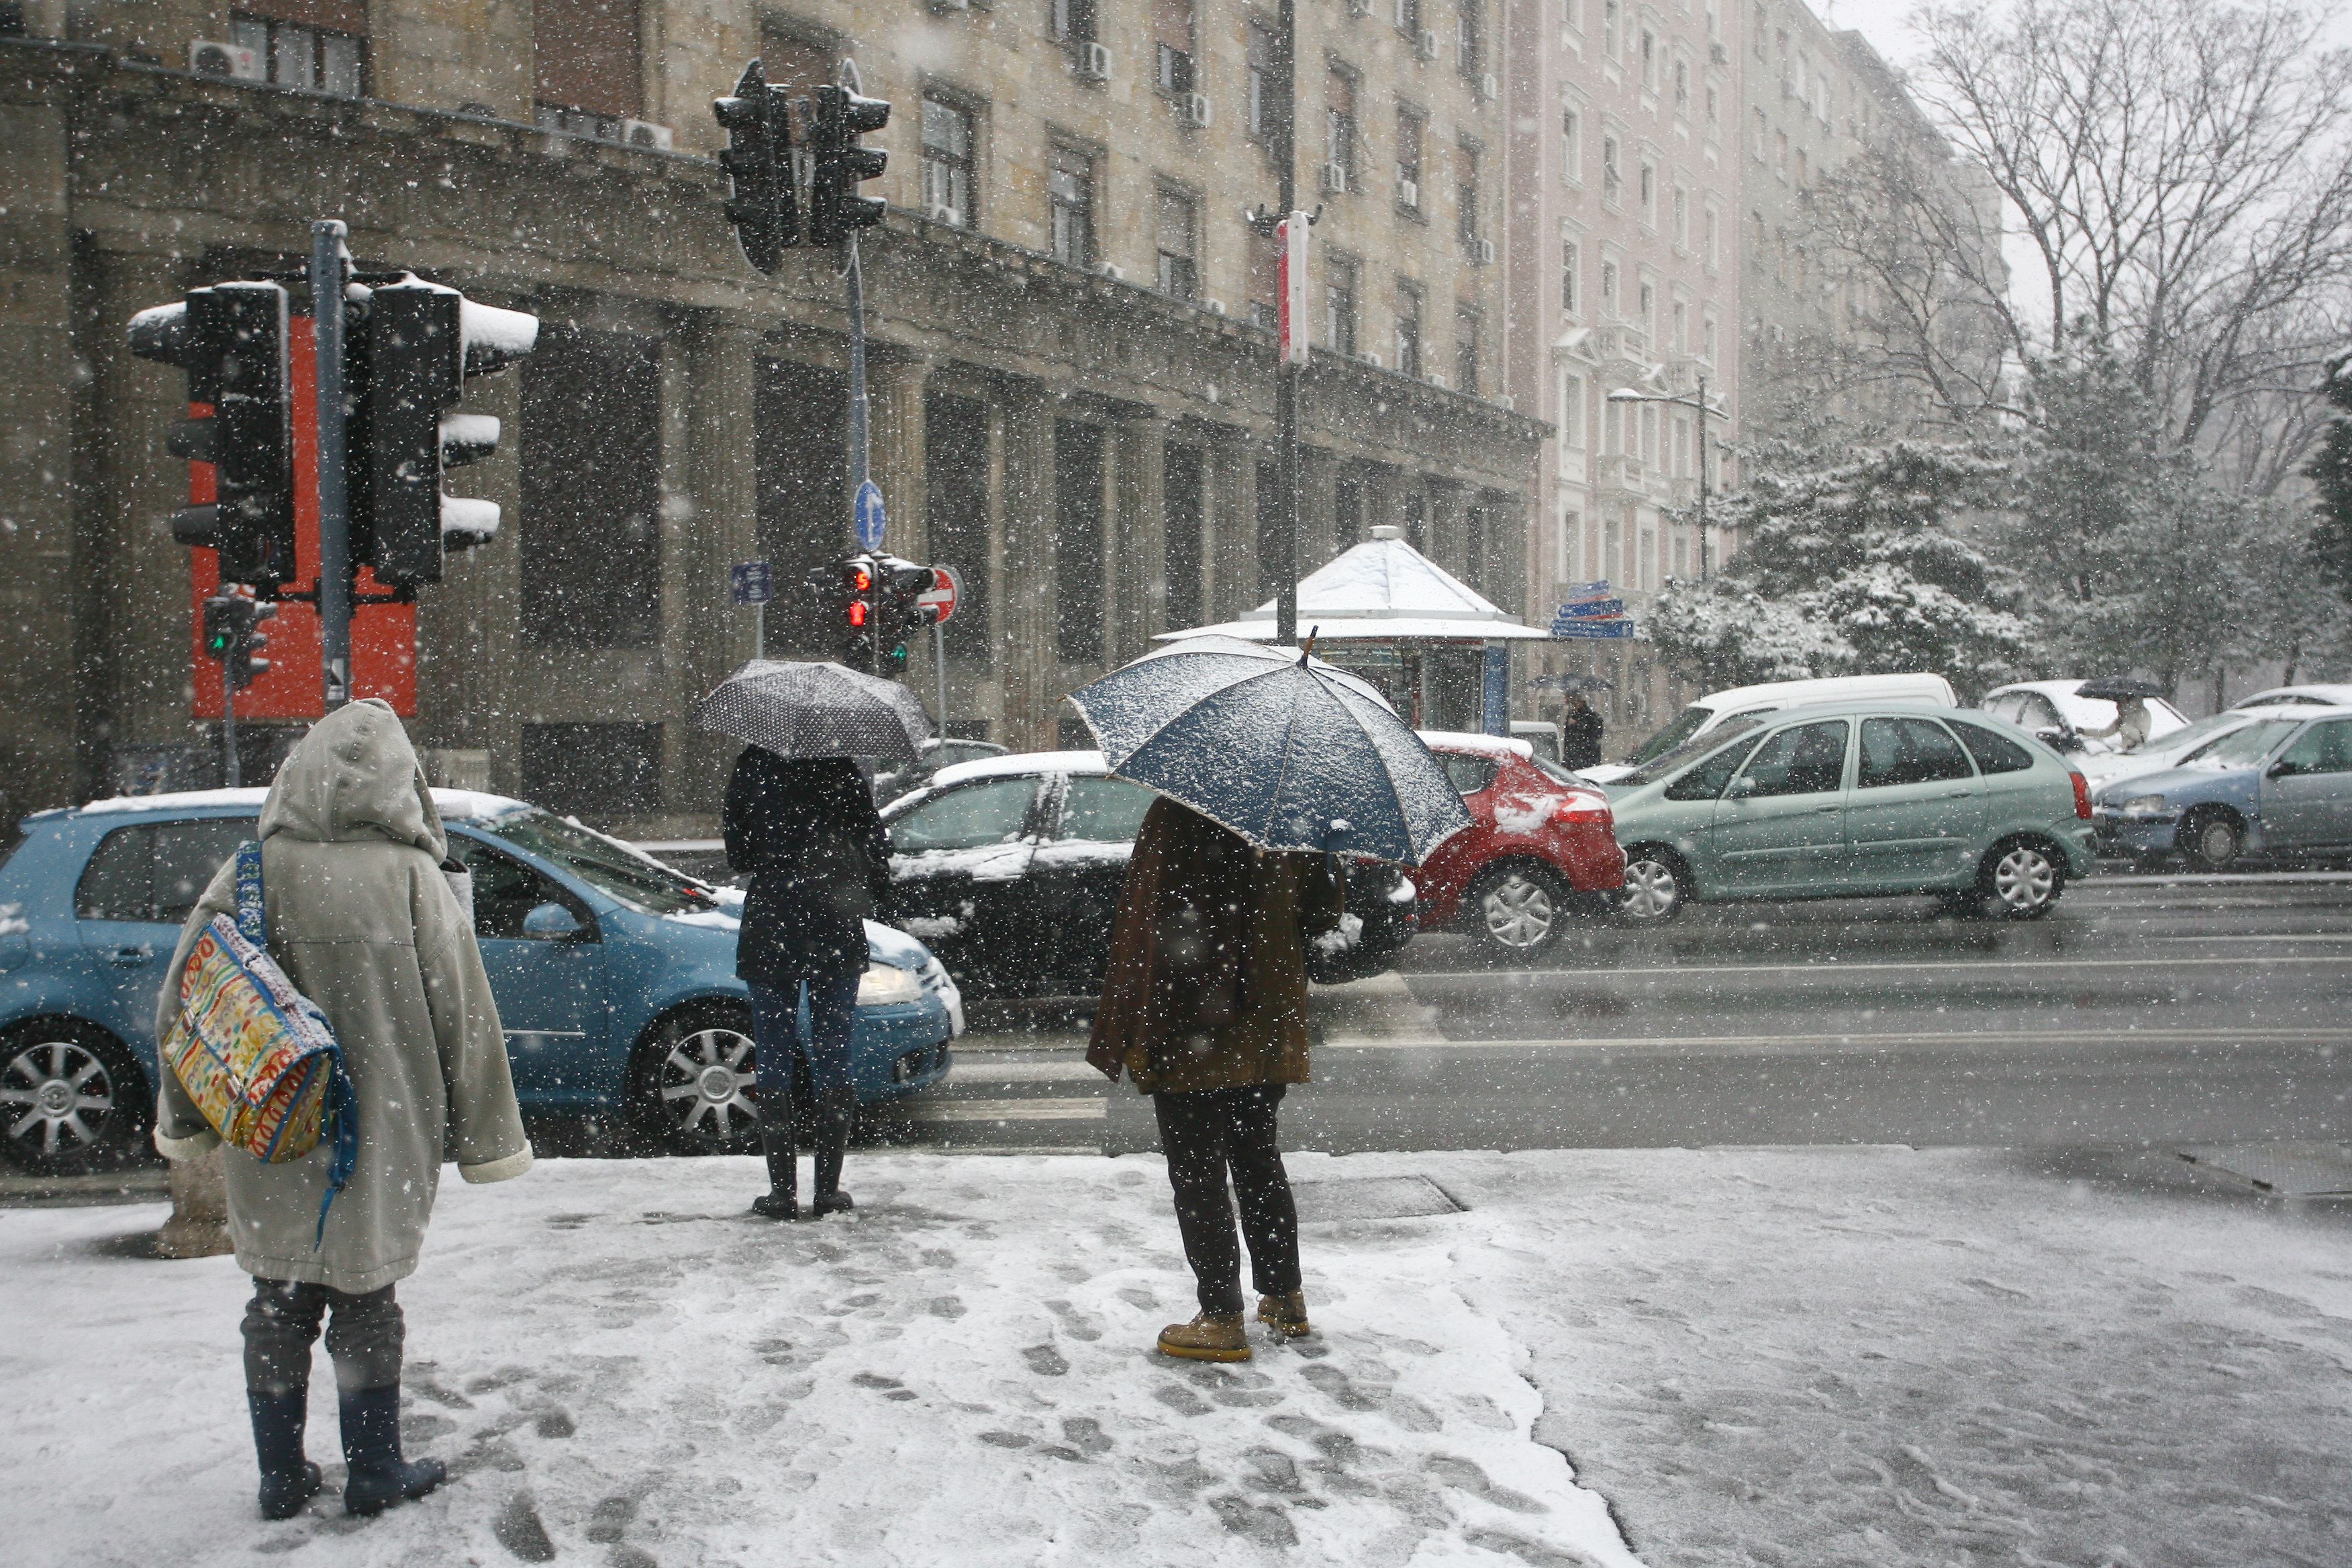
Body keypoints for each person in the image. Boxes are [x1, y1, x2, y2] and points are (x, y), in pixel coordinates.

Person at [152, 699, 532, 1521]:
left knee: (278, 1297)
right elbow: (465, 1015)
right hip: (384, 1127)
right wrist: (486, 1138)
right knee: (366, 1298)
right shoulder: (412, 879)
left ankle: (281, 1475)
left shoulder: (249, 870)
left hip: (273, 1123)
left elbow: (188, 1003)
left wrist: (185, 1121)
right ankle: (374, 1467)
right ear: (406, 787)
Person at [1087, 797, 1346, 1363]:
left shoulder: (1178, 809)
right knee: (1256, 1156)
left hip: (1190, 1019)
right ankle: (1284, 1297)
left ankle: (1222, 1316)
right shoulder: (1294, 809)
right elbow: (1324, 913)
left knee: (1198, 1168)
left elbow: (1147, 916)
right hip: (1265, 1015)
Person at [724, 748, 893, 1220]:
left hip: (771, 919)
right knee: (833, 1048)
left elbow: (738, 853)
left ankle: (781, 1193)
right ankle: (828, 1192)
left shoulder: (753, 765)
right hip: (833, 919)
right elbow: (874, 846)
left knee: (773, 1051)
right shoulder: (841, 768)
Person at [2082, 693, 2153, 751]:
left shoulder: (2142, 713)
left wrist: (2124, 727)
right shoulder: (2124, 717)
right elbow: (2105, 733)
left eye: (2120, 704)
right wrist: (2084, 731)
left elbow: (2142, 737)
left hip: (2140, 752)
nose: (2118, 708)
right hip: (2127, 752)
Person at [1561, 693, 1605, 771]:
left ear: (1581, 702)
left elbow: (1596, 734)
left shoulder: (1592, 717)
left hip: (1586, 758)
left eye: (1574, 703)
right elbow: (1568, 738)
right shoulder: (1571, 716)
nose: (1572, 706)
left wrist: (1578, 724)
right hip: (1573, 758)